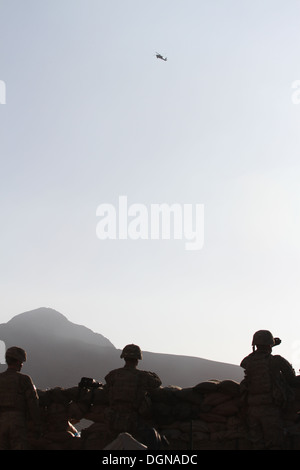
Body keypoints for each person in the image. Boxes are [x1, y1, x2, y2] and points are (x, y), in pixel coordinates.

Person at [240, 330, 300, 450]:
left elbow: (253, 361)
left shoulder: (248, 361)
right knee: (274, 444)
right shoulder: (276, 361)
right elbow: (292, 380)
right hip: (270, 409)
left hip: (252, 409)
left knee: (257, 444)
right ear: (269, 345)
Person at [104, 344, 163, 448]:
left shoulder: (113, 374)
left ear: (124, 358)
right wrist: (152, 374)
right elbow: (157, 383)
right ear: (137, 360)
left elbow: (107, 383)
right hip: (134, 421)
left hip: (112, 419)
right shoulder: (143, 376)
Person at [0, 346, 40, 450]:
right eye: (21, 362)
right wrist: (37, 424)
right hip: (17, 422)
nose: (22, 365)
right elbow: (33, 403)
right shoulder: (24, 379)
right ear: (18, 361)